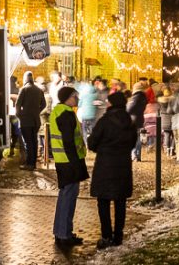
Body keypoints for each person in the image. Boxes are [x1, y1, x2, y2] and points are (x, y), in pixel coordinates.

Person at [87, 91, 137, 249]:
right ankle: (118, 236)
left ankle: (106, 235)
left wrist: (101, 147)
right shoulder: (129, 122)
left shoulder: (105, 121)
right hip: (123, 165)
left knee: (103, 201)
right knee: (120, 202)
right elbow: (132, 143)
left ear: (112, 103)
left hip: (105, 165)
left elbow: (92, 142)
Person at [50, 86, 89, 247]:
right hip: (70, 162)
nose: (77, 99)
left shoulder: (58, 111)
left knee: (64, 197)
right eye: (75, 96)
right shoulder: (66, 114)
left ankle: (60, 232)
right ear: (68, 97)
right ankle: (64, 234)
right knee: (68, 198)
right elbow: (69, 142)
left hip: (63, 161)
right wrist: (75, 165)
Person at [15, 71, 46, 170]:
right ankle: (33, 163)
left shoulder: (24, 89)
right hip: (36, 120)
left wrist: (19, 115)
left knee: (28, 143)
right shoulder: (39, 90)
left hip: (26, 121)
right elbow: (44, 105)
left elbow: (18, 105)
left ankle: (29, 164)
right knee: (34, 142)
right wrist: (37, 111)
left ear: (25, 79)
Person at [126, 81, 148, 161]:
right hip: (139, 119)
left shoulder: (136, 96)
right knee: (137, 138)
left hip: (133, 120)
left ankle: (134, 155)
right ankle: (137, 155)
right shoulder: (143, 96)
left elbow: (129, 108)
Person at [76, 80, 98, 144]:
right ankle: (93, 143)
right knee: (92, 131)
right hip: (93, 116)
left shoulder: (84, 96)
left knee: (84, 131)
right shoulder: (96, 96)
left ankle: (86, 143)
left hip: (85, 116)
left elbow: (79, 105)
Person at [157, 86, 175, 155]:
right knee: (174, 135)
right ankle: (172, 149)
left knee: (167, 135)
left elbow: (158, 111)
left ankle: (167, 150)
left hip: (164, 120)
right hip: (172, 119)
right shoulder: (173, 100)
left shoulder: (160, 101)